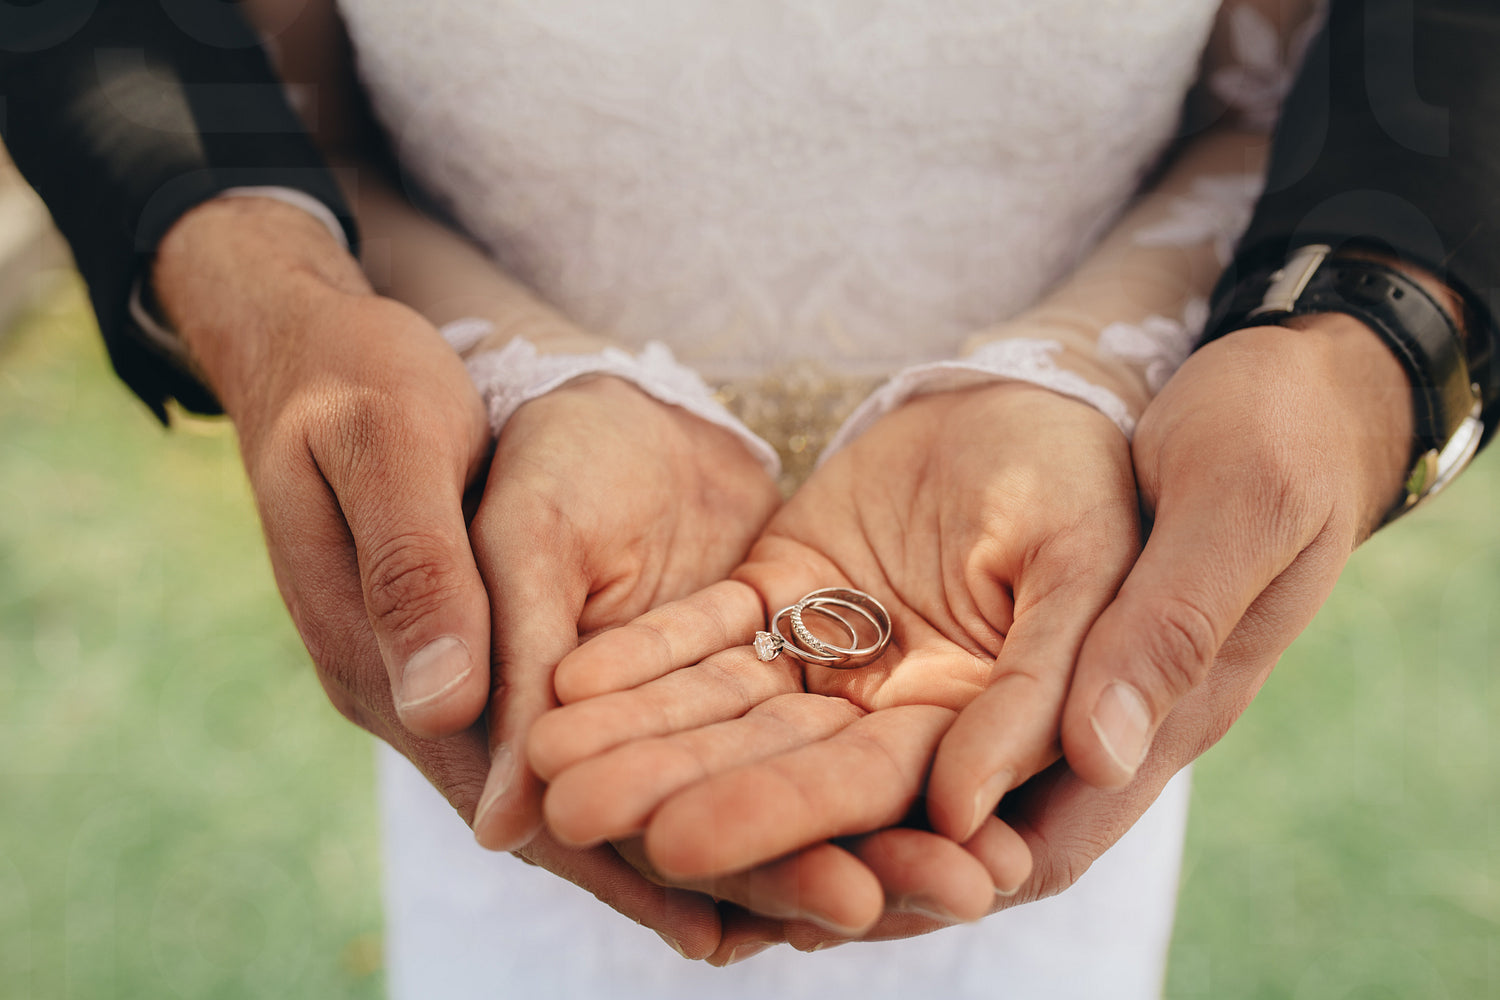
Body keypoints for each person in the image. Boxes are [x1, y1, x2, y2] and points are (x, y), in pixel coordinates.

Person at [3, 0, 1496, 994]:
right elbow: (234, 74)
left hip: (1044, 596)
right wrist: (297, 312)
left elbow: (1313, 83)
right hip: (531, 567)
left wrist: (1311, 348)